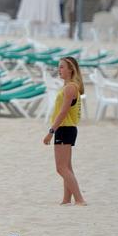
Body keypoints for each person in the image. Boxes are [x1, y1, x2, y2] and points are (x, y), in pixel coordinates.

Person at [44, 56, 87, 205]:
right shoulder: (70, 86)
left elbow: (63, 112)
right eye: (59, 66)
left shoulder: (70, 88)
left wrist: (51, 132)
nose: (59, 70)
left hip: (64, 128)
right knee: (67, 167)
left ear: (71, 70)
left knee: (61, 168)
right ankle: (67, 199)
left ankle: (80, 199)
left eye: (62, 67)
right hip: (68, 129)